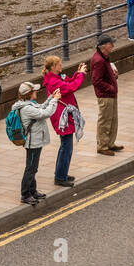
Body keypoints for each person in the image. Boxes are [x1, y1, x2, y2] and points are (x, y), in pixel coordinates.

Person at [41, 55, 86, 187]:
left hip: (63, 115)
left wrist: (77, 73)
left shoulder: (55, 78)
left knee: (65, 146)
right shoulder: (54, 82)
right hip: (62, 117)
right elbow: (71, 87)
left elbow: (69, 81)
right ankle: (60, 177)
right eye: (59, 64)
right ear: (54, 67)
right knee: (66, 147)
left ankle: (61, 173)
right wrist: (81, 75)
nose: (61, 66)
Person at [12, 82, 59, 206]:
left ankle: (32, 190)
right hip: (32, 143)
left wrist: (50, 98)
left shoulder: (30, 104)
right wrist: (54, 101)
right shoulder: (27, 108)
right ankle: (25, 194)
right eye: (34, 91)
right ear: (29, 94)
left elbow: (42, 107)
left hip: (36, 141)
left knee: (34, 167)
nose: (36, 92)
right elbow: (45, 113)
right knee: (30, 168)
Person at [88, 35, 122, 156]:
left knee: (112, 119)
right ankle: (102, 146)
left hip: (110, 94)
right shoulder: (99, 60)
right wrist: (111, 87)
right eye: (110, 43)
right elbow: (96, 81)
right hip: (105, 95)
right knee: (105, 121)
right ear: (103, 46)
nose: (112, 45)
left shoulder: (104, 57)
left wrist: (114, 76)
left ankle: (110, 143)